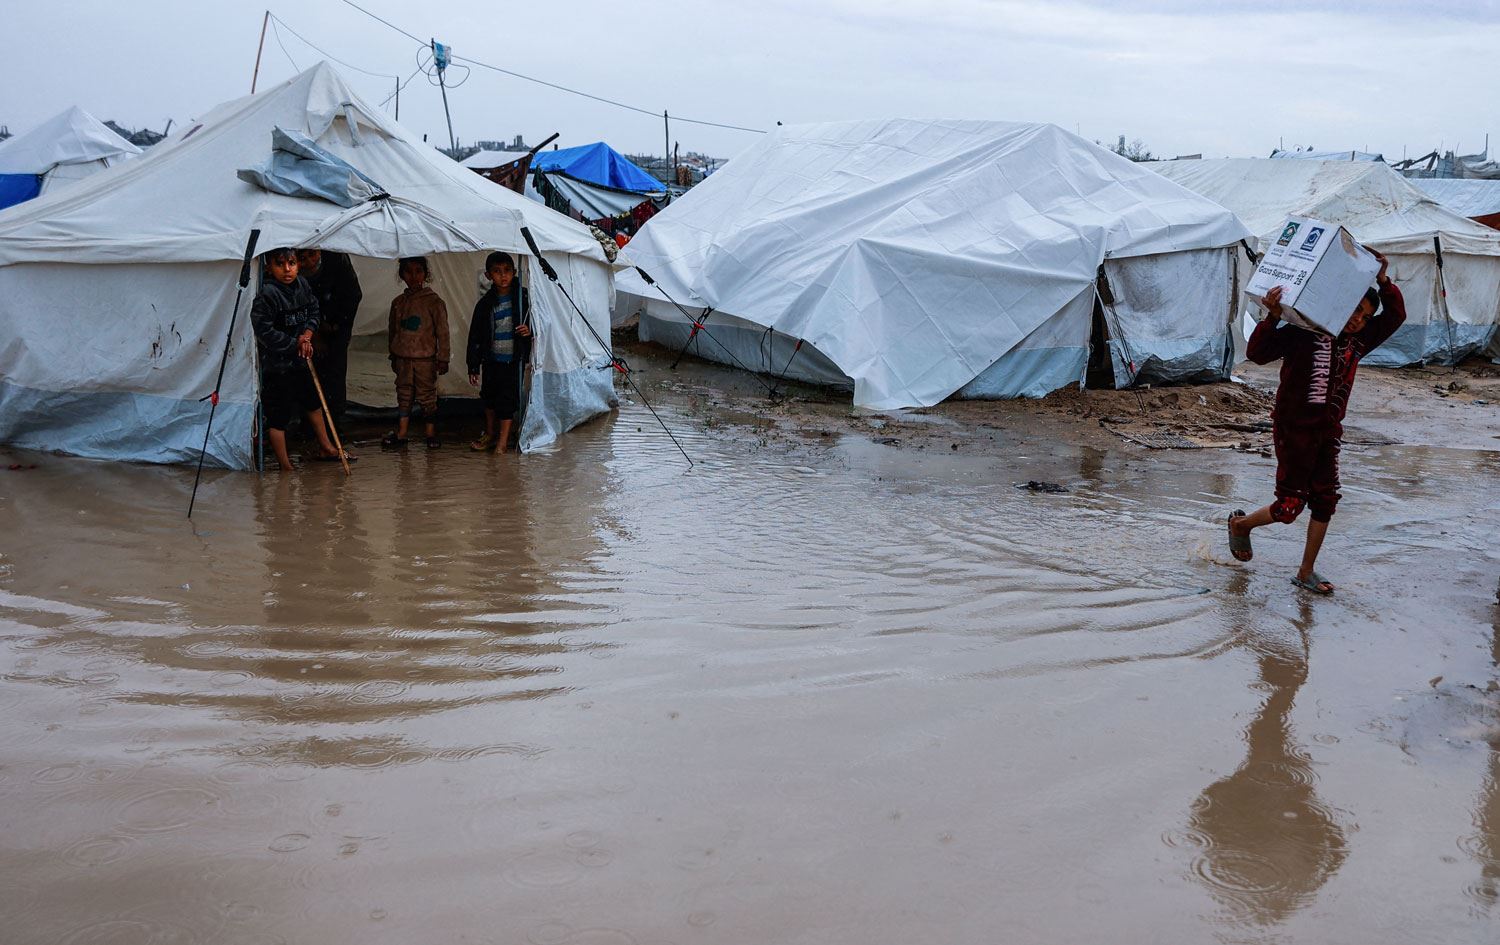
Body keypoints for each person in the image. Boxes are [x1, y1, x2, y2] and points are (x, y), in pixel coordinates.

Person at [1227, 250, 1405, 594]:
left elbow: (1395, 315)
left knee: (1325, 500)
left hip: (1328, 430)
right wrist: (1272, 316)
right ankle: (1241, 524)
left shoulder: (1360, 340)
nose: (1358, 320)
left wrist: (1383, 280)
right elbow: (1257, 354)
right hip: (1293, 427)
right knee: (1289, 506)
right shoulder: (1304, 331)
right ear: (1341, 304)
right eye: (1355, 310)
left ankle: (1306, 570)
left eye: (1366, 316)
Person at [250, 248, 352, 470]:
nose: (287, 270)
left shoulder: (303, 286)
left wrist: (307, 334)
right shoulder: (267, 294)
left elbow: (314, 310)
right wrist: (293, 343)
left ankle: (326, 445)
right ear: (269, 267)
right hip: (277, 366)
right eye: (280, 264)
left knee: (313, 402)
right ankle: (285, 465)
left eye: (292, 263)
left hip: (301, 360)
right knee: (279, 416)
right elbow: (263, 331)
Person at [466, 251, 533, 452]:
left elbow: (539, 323)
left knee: (507, 400)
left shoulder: (523, 300)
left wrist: (528, 330)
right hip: (491, 360)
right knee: (488, 397)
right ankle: (490, 433)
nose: (503, 276)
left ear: (514, 273)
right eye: (497, 272)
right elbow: (475, 337)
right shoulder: (485, 304)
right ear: (488, 276)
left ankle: (502, 444)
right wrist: (473, 365)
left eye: (507, 271)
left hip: (513, 361)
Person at [384, 256, 450, 449]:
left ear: (426, 274)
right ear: (401, 274)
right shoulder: (398, 303)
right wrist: (393, 355)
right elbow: (393, 331)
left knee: (427, 396)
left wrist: (443, 358)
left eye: (418, 271)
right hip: (403, 359)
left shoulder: (434, 302)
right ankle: (402, 433)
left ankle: (430, 434)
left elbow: (443, 333)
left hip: (425, 360)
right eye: (408, 271)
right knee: (404, 395)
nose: (413, 276)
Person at [297, 248, 363, 422]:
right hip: (304, 329)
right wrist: (314, 331)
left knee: (334, 372)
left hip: (337, 323)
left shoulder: (335, 257)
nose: (310, 263)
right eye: (302, 258)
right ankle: (306, 422)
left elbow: (352, 295)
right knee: (305, 376)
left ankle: (334, 421)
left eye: (312, 255)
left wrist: (335, 326)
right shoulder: (288, 269)